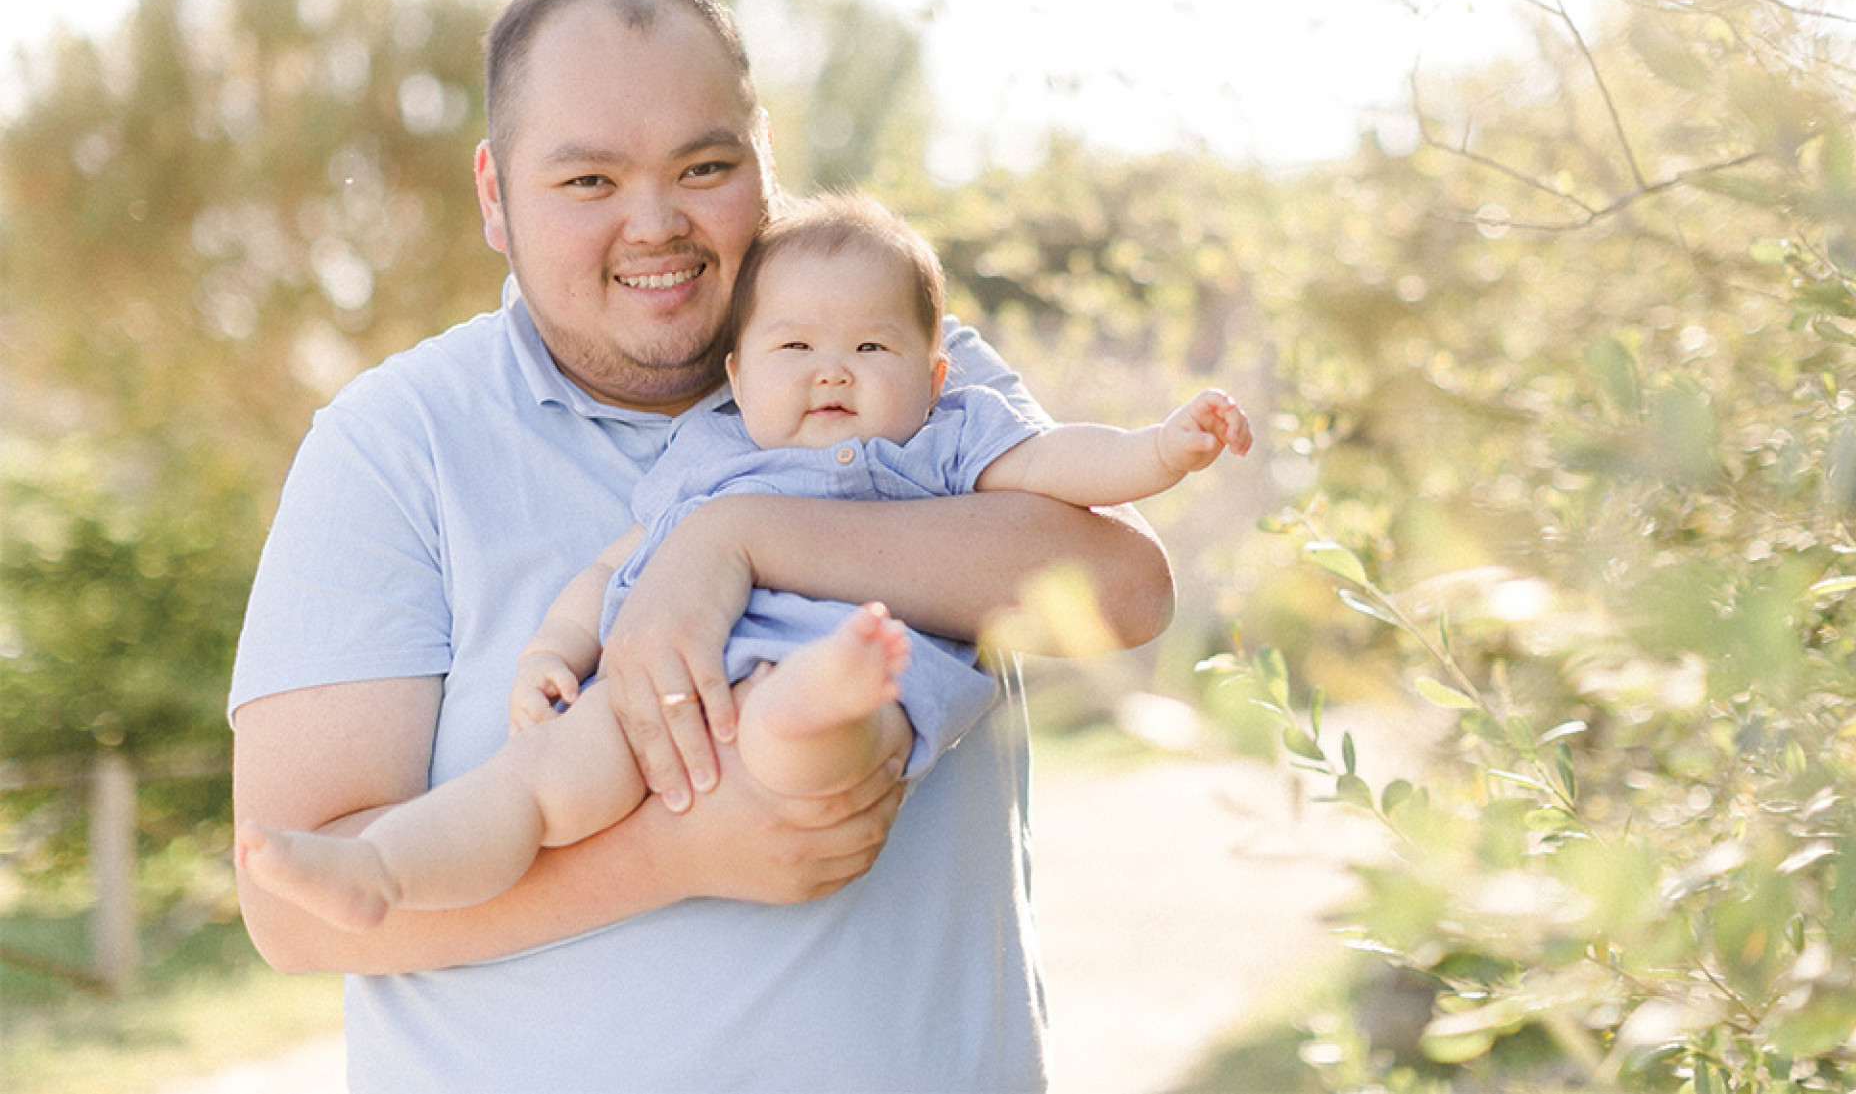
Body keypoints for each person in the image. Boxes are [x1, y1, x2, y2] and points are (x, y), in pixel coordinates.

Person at [228, 0, 1178, 1092]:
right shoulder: (396, 444)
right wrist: (673, 854)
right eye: (588, 179)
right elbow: (296, 920)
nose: (656, 226)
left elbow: (1122, 587)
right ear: (495, 194)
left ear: (764, 162)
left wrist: (735, 543)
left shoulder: (885, 356)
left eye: (706, 166)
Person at [235, 192, 1251, 934]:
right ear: (736, 373)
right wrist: (555, 647)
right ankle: (382, 871)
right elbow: (614, 565)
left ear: (933, 370)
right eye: (796, 349)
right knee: (537, 788)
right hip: (653, 699)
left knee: (802, 736)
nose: (832, 371)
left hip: (838, 679)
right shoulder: (711, 450)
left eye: (870, 351)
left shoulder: (941, 433)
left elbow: (1063, 465)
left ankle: (823, 693)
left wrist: (1162, 447)